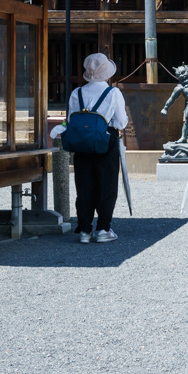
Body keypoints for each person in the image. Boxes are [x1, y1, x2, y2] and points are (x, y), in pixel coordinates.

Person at [50, 52, 129, 244]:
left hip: (81, 143)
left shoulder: (76, 93)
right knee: (106, 185)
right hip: (105, 141)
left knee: (84, 185)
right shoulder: (113, 93)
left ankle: (84, 229)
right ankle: (103, 229)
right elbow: (120, 122)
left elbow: (71, 120)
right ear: (106, 73)